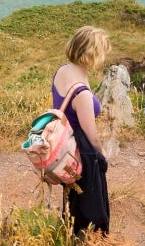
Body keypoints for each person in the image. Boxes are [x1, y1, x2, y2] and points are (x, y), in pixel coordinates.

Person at [52, 25, 111, 237]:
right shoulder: (82, 94)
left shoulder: (62, 71)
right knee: (87, 205)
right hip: (81, 152)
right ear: (91, 54)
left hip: (64, 147)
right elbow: (91, 135)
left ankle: (66, 232)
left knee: (71, 198)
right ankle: (82, 238)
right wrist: (102, 154)